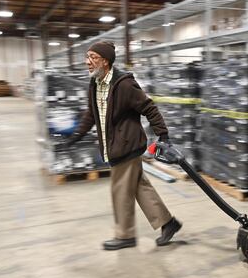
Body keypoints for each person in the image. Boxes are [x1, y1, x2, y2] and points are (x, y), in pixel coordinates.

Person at [63, 41, 182, 250]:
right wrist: (76, 136)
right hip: (114, 145)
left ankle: (125, 235)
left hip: (126, 146)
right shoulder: (95, 83)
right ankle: (168, 223)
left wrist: (163, 136)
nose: (87, 62)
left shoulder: (124, 84)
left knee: (120, 190)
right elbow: (91, 114)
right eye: (87, 57)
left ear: (105, 62)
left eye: (92, 57)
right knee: (139, 187)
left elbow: (149, 108)